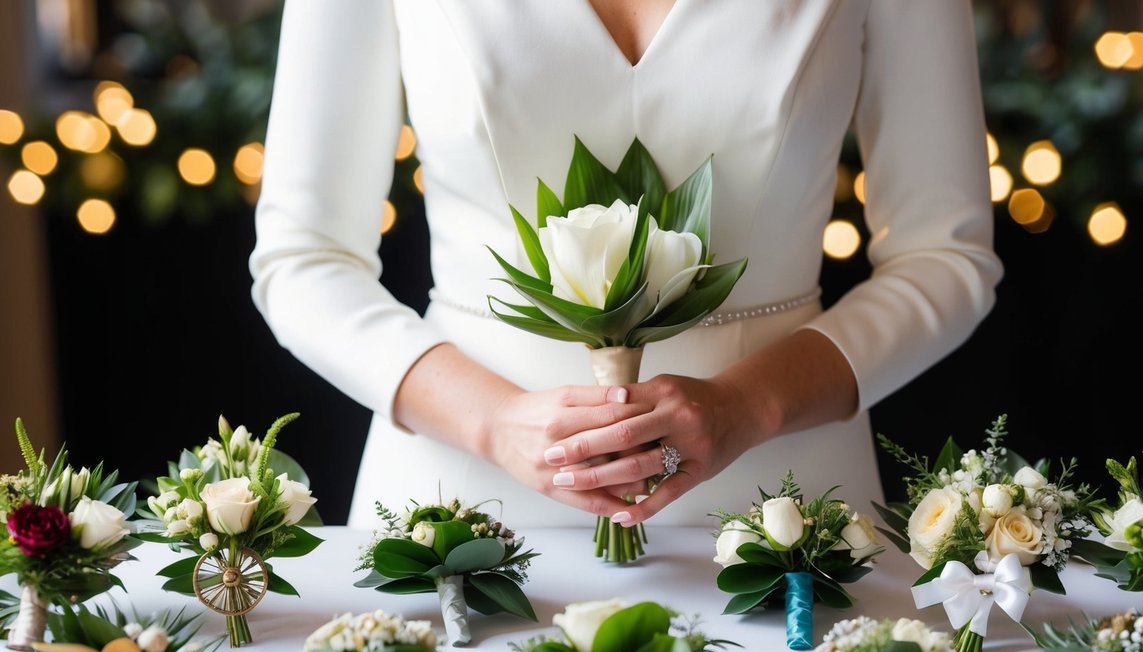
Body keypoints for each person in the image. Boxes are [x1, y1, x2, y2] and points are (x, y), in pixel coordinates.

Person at [250, 0, 1002, 531]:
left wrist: (753, 404)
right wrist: (490, 423)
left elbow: (944, 256)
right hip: (453, 508)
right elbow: (304, 257)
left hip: (786, 507)